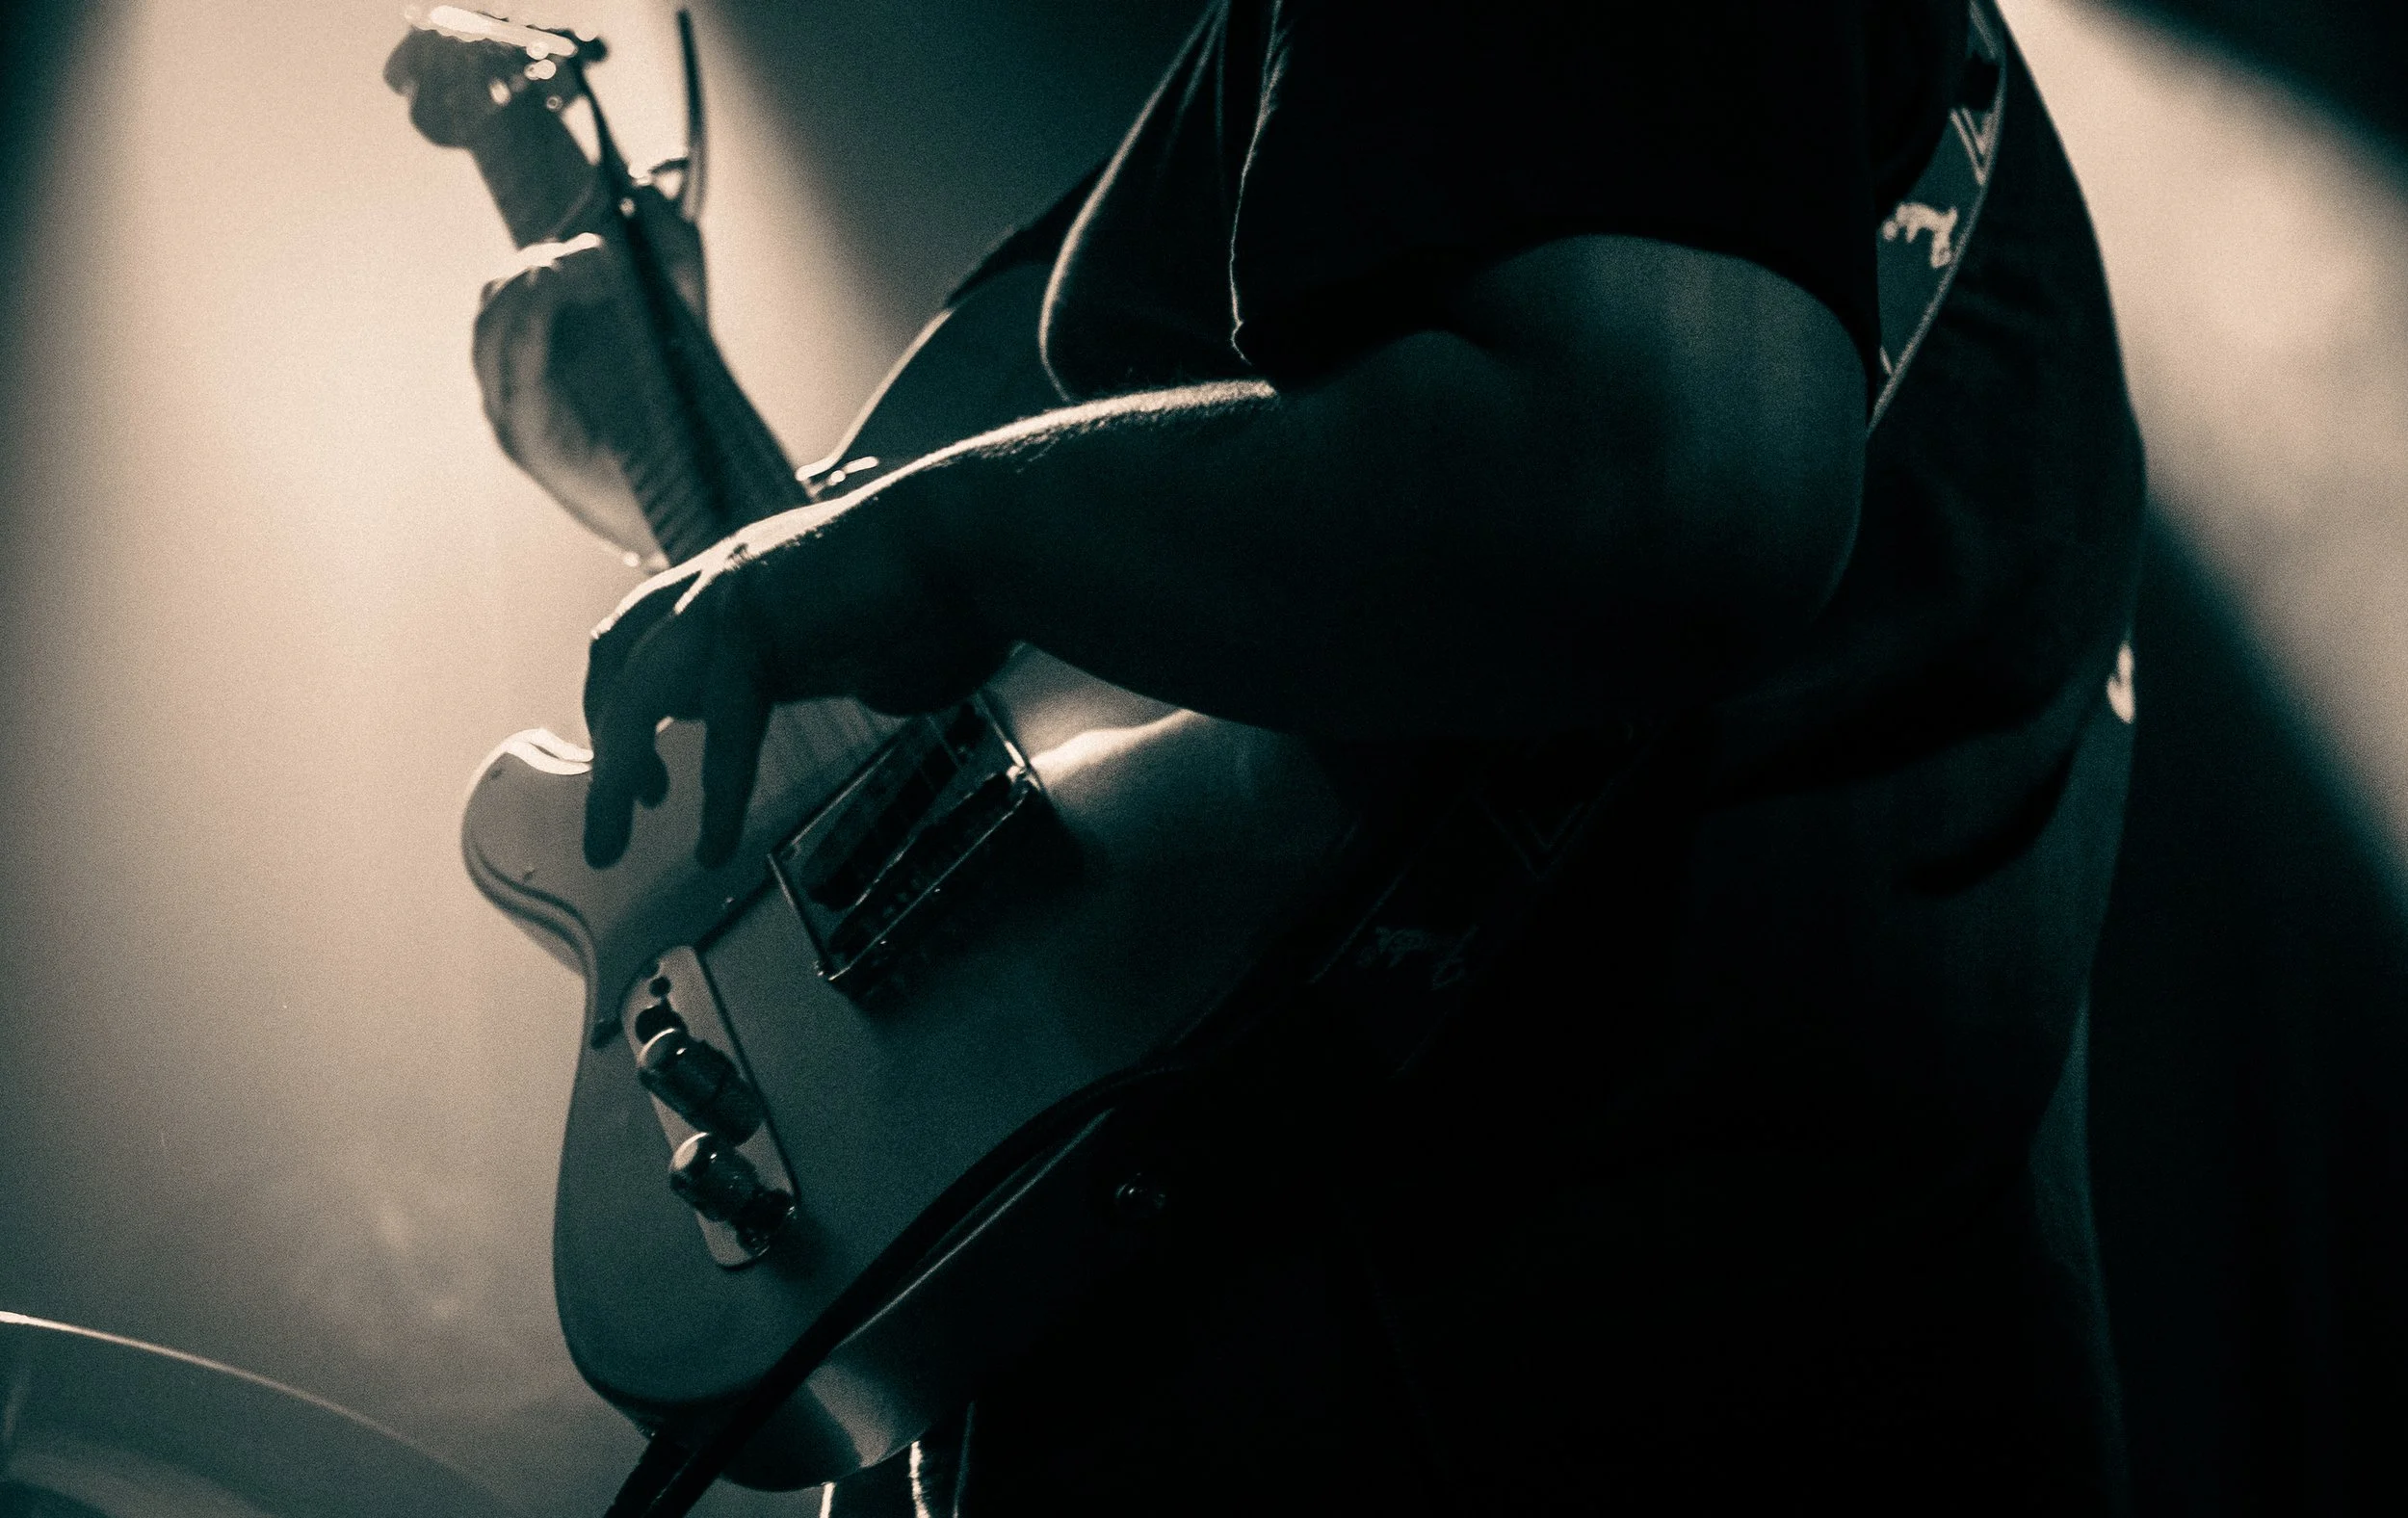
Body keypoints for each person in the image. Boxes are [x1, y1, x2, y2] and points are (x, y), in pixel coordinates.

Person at [511, 1, 2144, 1512]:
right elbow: (1024, 700)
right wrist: (709, 453)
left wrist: (941, 544)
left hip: (1555, 1350)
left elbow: (1668, 472)